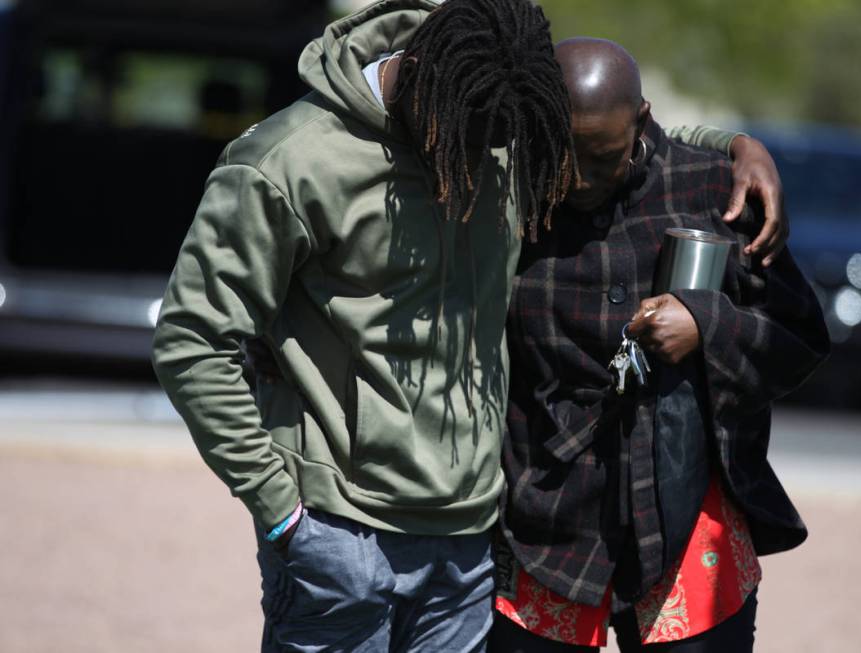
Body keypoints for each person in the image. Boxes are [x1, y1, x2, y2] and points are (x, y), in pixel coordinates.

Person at [155, 1, 788, 651]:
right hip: (339, 540)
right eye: (480, 135)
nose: (496, 155)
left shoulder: (501, 120)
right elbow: (191, 340)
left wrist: (736, 147)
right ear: (428, 78)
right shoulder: (286, 160)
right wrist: (282, 511)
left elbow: (617, 130)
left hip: (469, 555)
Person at [489, 38, 830, 652]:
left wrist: (707, 324)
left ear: (641, 121)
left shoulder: (713, 193)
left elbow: (800, 336)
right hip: (545, 521)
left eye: (601, 156)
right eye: (563, 156)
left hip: (683, 513)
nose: (578, 179)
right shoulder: (507, 200)